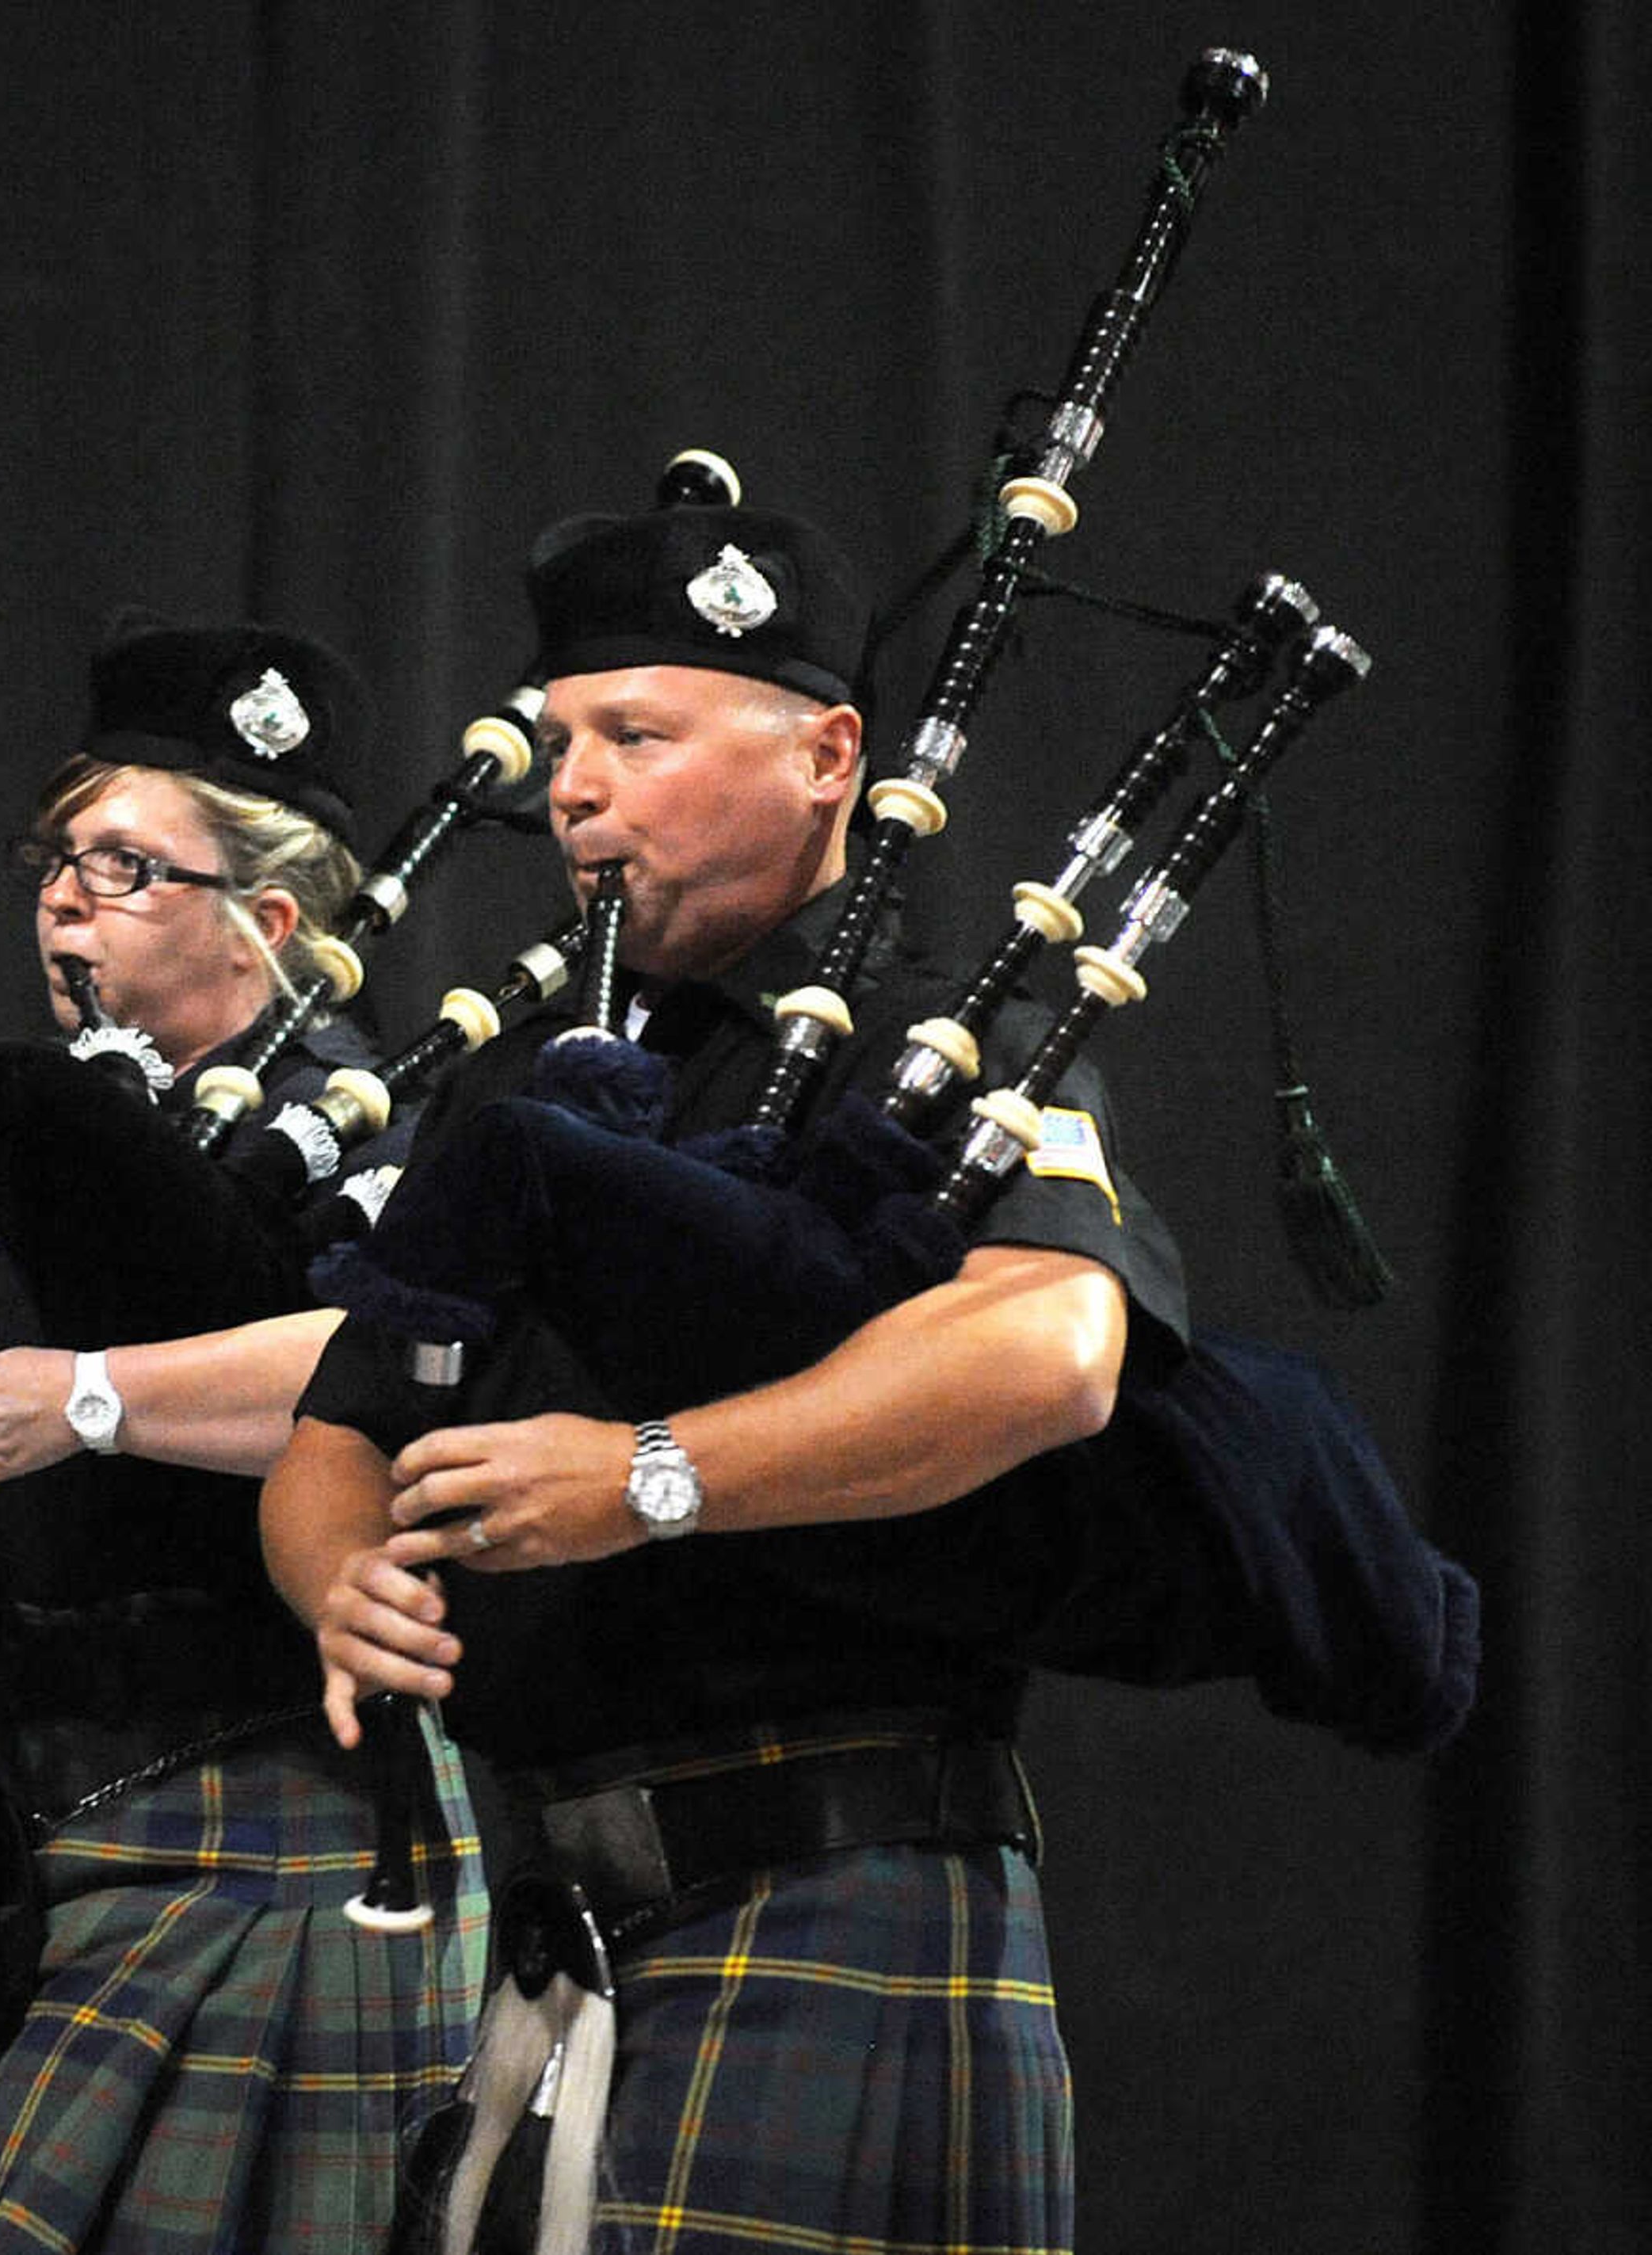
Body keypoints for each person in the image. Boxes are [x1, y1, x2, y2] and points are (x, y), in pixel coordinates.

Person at [263, 502, 1188, 2252]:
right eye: (558, 744)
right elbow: (345, 1417)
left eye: (637, 734)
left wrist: (647, 1475)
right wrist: (339, 1582)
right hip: (545, 1918)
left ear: (832, 755)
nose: (574, 788)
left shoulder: (951, 1034)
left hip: (832, 1889)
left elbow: (1048, 1349)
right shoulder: (541, 1082)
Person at [0, 614, 487, 2253]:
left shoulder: (382, 1134)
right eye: (56, 859)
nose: (65, 894)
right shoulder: (11, 1123)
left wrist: (85, 1396)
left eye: (127, 865)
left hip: (260, 1808)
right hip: (14, 1808)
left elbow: (372, 1370)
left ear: (271, 923)